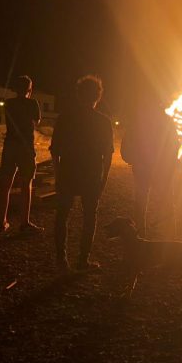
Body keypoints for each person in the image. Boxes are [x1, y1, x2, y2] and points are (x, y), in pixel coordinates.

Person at [50, 75, 114, 274]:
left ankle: (61, 260)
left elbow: (55, 150)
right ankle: (83, 260)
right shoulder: (103, 122)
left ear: (78, 95)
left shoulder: (65, 118)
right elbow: (108, 154)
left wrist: (58, 173)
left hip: (68, 173)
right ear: (98, 96)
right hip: (92, 175)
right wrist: (104, 178)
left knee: (62, 215)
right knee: (89, 217)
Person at [121, 91, 180, 238]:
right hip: (162, 170)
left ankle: (139, 236)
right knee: (165, 204)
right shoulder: (167, 121)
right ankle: (168, 238)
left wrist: (130, 158)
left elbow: (127, 143)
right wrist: (171, 165)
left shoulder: (139, 121)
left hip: (142, 168)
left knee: (141, 203)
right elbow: (175, 146)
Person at [0, 75, 42, 233]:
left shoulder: (8, 104)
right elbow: (36, 122)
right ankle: (24, 222)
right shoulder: (33, 103)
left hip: (10, 144)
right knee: (26, 184)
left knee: (6, 185)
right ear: (29, 89)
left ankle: (2, 221)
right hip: (26, 146)